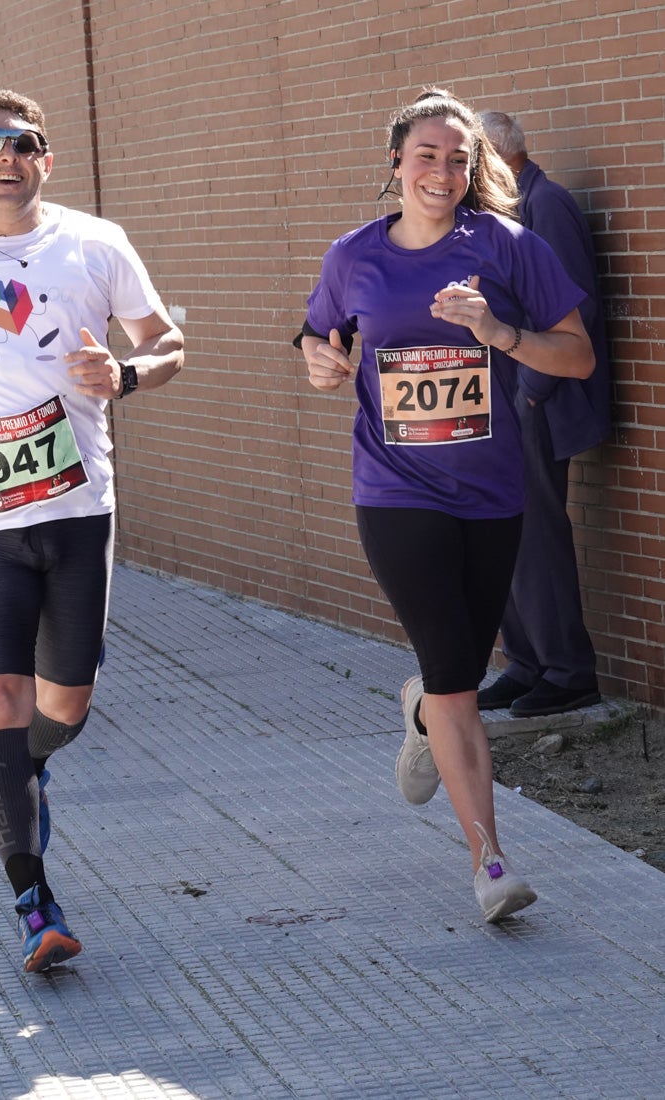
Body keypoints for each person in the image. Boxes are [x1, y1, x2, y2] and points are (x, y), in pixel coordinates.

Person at [297, 88, 594, 922]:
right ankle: (489, 862)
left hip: (491, 490)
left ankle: (420, 705)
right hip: (394, 490)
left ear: (474, 171)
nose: (442, 171)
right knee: (460, 677)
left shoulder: (509, 246)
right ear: (395, 163)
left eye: (458, 160)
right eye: (427, 155)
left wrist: (502, 336)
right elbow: (322, 340)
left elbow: (575, 356)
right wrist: (322, 365)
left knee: (456, 666)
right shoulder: (352, 254)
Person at [0, 90, 184, 972]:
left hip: (77, 513)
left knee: (61, 707)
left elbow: (166, 344)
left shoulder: (95, 244)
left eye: (25, 144)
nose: (9, 157)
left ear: (48, 160)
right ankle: (33, 901)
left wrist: (126, 371)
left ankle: (22, 773)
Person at [475, 111, 610, 717]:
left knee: (538, 537)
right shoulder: (500, 215)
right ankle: (525, 664)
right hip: (501, 402)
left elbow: (576, 314)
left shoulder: (545, 206)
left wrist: (528, 391)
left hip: (537, 401)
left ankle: (567, 672)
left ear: (500, 158)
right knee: (504, 534)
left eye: (472, 159)